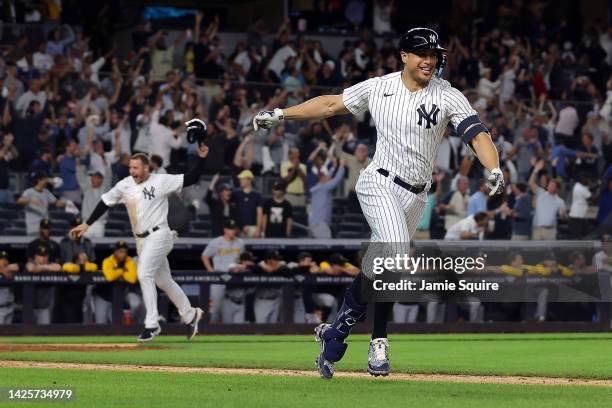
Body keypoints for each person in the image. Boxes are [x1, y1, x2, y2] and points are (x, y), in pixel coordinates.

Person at [253, 27, 503, 378]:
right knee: (397, 255)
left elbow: (477, 133)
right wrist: (281, 114)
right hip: (378, 182)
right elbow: (329, 104)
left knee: (381, 266)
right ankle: (374, 339)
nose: (429, 59)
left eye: (433, 54)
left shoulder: (448, 95)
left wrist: (493, 168)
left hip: (417, 194)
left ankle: (340, 331)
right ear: (404, 55)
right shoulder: (378, 87)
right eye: (422, 53)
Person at [69, 118, 209, 342]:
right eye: (130, 167)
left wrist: (201, 159)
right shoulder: (125, 184)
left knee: (144, 272)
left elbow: (192, 178)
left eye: (136, 167)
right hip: (142, 239)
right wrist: (87, 223)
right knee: (163, 281)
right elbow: (105, 202)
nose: (132, 171)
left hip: (160, 233)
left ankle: (152, 324)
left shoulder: (160, 181)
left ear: (147, 167)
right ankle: (191, 314)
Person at [201, 219, 245, 323]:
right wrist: (211, 270)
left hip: (234, 277)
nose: (233, 231)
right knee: (216, 306)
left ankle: (228, 331)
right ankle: (211, 330)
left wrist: (241, 266)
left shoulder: (240, 243)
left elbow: (242, 258)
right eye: (230, 229)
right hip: (219, 276)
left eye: (234, 229)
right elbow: (204, 256)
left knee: (232, 304)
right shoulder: (216, 242)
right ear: (225, 229)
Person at [94, 240, 143, 324]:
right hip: (104, 296)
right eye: (120, 251)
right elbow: (110, 277)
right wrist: (122, 271)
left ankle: (135, 325)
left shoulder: (129, 261)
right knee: (100, 324)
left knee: (135, 303)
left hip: (121, 296)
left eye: (124, 251)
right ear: (115, 252)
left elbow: (132, 278)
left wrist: (117, 272)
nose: (122, 254)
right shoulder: (108, 261)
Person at [308, 157, 346, 238]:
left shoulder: (319, 186)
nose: (328, 177)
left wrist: (334, 167)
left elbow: (328, 176)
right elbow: (336, 180)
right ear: (322, 178)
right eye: (326, 176)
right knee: (326, 247)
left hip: (314, 222)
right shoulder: (323, 187)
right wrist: (342, 166)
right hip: (320, 224)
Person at [529, 160, 567, 240]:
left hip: (551, 231)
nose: (550, 186)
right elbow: (531, 183)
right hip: (537, 230)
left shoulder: (560, 201)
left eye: (552, 185)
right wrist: (536, 170)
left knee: (550, 252)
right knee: (535, 251)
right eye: (549, 184)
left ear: (556, 188)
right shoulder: (541, 193)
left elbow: (563, 216)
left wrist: (563, 214)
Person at [25, 245, 62, 324]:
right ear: (35, 256)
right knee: (29, 333)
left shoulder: (50, 264)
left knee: (44, 332)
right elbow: (31, 268)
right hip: (31, 308)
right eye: (40, 255)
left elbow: (58, 267)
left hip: (44, 308)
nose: (42, 258)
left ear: (48, 256)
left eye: (44, 255)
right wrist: (46, 267)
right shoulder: (31, 263)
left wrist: (42, 267)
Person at [233, 170, 263, 238]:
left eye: (243, 179)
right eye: (240, 179)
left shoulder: (257, 195)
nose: (240, 180)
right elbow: (234, 212)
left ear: (249, 180)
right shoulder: (236, 194)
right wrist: (238, 227)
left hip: (253, 228)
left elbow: (259, 213)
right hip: (238, 228)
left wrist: (258, 229)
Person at [0, 250, 19, 324]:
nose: (4, 261)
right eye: (1, 259)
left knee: (9, 333)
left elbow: (16, 267)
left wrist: (3, 269)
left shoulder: (9, 269)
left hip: (10, 307)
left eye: (5, 259)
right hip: (0, 309)